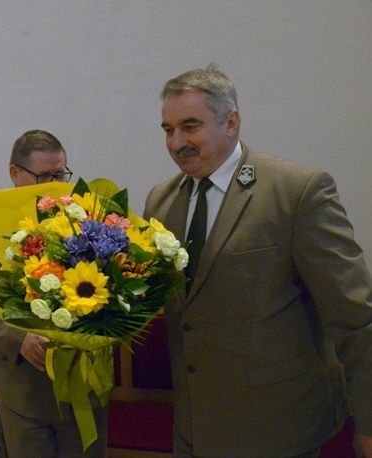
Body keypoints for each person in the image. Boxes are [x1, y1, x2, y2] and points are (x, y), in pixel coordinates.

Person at [142, 64, 372, 457]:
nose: (176, 142)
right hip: (195, 428)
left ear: (231, 123)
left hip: (278, 428)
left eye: (190, 126)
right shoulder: (161, 201)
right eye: (168, 130)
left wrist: (369, 422)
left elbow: (354, 316)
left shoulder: (296, 192)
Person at [0, 130, 108, 457]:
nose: (54, 183)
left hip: (81, 384)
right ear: (15, 174)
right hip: (23, 388)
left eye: (60, 173)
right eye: (44, 176)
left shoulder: (86, 223)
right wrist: (14, 339)